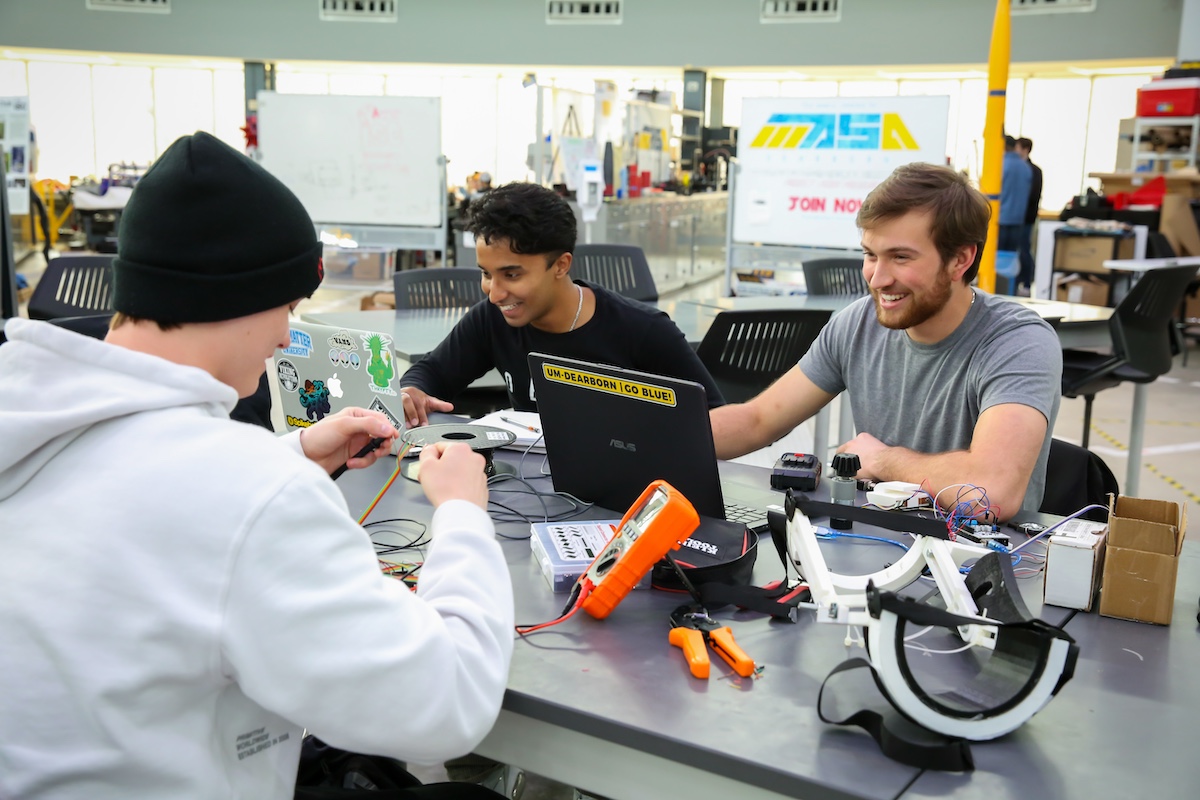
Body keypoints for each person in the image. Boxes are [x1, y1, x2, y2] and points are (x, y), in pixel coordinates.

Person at [0, 132, 514, 799]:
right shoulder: (244, 491)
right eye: (288, 308)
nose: (282, 338)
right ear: (235, 297)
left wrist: (296, 452)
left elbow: (134, 487)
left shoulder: (30, 415)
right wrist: (463, 517)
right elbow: (447, 704)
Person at [710, 162, 1061, 518]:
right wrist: (664, 440)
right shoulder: (855, 324)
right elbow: (757, 420)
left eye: (900, 257)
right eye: (870, 255)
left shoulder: (1018, 342)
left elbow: (991, 493)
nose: (877, 279)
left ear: (960, 259)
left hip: (979, 561)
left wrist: (881, 460)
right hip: (872, 541)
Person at [400, 181, 724, 426]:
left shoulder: (644, 331)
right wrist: (411, 393)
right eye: (486, 273)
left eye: (511, 275)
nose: (494, 293)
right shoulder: (492, 318)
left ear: (561, 265)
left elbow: (715, 418)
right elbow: (432, 373)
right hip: (532, 493)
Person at [998, 135, 1032, 268]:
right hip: (1018, 221)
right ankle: (1008, 288)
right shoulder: (1025, 167)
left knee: (997, 261)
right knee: (1010, 260)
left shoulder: (1000, 166)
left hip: (1000, 220)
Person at [1015, 136, 1043, 292]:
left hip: (1026, 218)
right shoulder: (1022, 168)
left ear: (1025, 150)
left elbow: (1033, 195)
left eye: (1018, 148)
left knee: (1024, 249)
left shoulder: (1034, 171)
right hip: (1018, 217)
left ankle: (1026, 282)